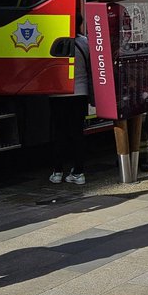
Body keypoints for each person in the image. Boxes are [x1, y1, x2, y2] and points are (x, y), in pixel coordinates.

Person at [49, 31, 90, 185]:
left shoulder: (54, 41)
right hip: (80, 93)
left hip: (57, 94)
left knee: (59, 133)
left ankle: (57, 172)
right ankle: (79, 172)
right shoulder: (85, 43)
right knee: (77, 134)